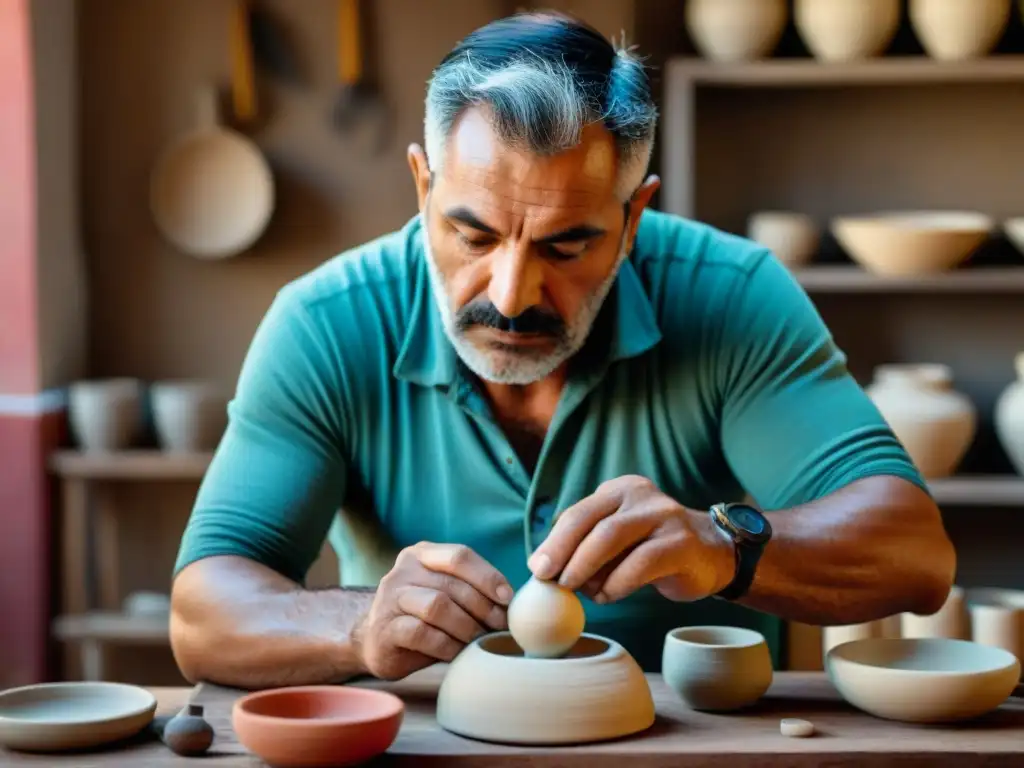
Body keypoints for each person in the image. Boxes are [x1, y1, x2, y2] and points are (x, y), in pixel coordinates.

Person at [169, 11, 956, 688]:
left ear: (634, 217)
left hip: (677, 750)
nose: (510, 296)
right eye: (472, 234)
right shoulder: (327, 323)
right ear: (422, 185)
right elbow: (202, 616)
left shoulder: (731, 296)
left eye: (567, 245)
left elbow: (916, 555)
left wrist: (723, 546)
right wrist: (358, 627)